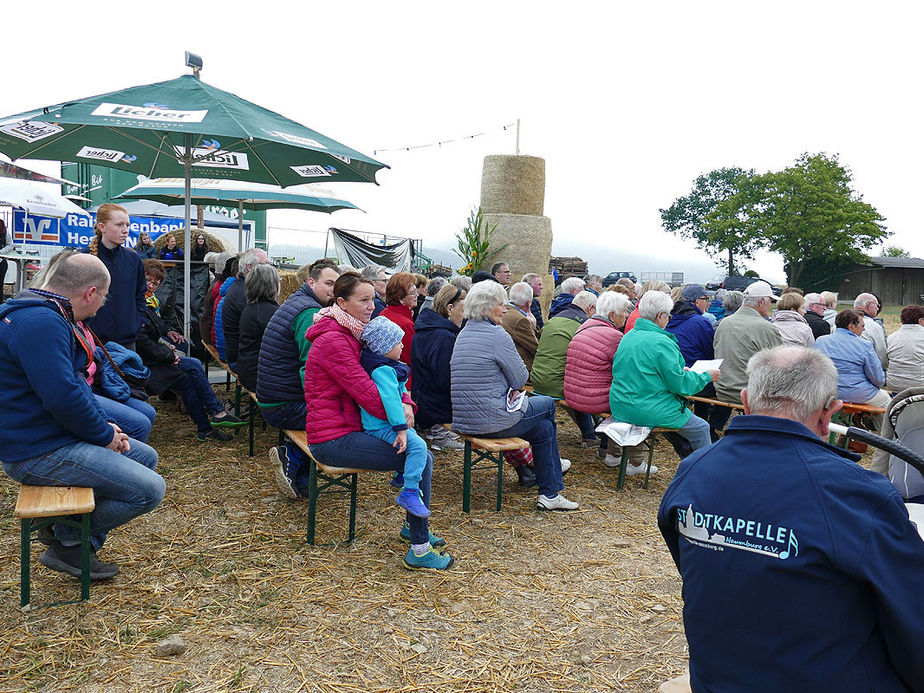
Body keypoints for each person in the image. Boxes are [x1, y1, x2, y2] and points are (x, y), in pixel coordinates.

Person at [658, 345, 924, 692]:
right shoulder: (856, 493)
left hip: (716, 678)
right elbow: (912, 614)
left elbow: (695, 562)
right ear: (830, 413)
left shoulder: (693, 469)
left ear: (747, 401)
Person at [0, 251, 165, 580]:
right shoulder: (43, 324)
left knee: (144, 455)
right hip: (34, 450)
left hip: (42, 434)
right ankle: (68, 538)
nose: (101, 306)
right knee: (150, 490)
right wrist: (104, 436)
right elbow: (63, 397)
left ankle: (67, 536)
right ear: (90, 293)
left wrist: (104, 428)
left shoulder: (40, 312)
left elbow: (72, 390)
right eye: (103, 298)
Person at [305, 273, 452, 570]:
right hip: (332, 438)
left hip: (349, 428)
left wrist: (408, 403)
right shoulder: (336, 340)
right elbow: (371, 395)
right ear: (342, 303)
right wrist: (403, 414)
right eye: (364, 300)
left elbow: (393, 373)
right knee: (420, 455)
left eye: (373, 298)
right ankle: (419, 549)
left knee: (420, 453)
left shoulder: (354, 332)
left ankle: (414, 529)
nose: (373, 306)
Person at [450, 280, 577, 511]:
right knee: (547, 405)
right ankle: (552, 478)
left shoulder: (464, 333)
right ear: (487, 307)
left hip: (465, 420)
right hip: (491, 421)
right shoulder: (497, 334)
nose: (506, 309)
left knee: (544, 429)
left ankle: (549, 491)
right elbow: (519, 379)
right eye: (501, 304)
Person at [137, 260, 245, 442]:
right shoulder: (138, 304)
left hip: (151, 359)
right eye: (148, 279)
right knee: (193, 364)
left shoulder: (148, 302)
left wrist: (167, 332)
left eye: (155, 283)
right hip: (143, 366)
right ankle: (216, 411)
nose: (151, 285)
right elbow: (142, 341)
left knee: (186, 379)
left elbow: (153, 326)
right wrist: (169, 355)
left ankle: (206, 429)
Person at [259, 259, 340, 498]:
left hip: (273, 397)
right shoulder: (311, 313)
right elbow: (310, 370)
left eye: (337, 285)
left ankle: (301, 476)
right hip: (284, 405)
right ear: (310, 281)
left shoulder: (296, 302)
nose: (333, 290)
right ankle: (292, 455)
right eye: (328, 283)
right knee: (341, 416)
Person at [610, 291, 720, 465]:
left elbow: (643, 371)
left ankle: (689, 460)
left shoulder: (629, 336)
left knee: (681, 423)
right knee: (701, 427)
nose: (669, 319)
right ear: (660, 315)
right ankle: (704, 468)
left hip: (621, 405)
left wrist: (678, 370)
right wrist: (707, 376)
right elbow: (681, 386)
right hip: (647, 408)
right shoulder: (662, 342)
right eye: (668, 315)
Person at [360, 316, 431, 518]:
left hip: (384, 423)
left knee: (414, 439)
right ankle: (409, 492)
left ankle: (401, 475)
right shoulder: (383, 370)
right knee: (419, 446)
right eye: (397, 342)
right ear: (384, 347)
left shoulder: (385, 365)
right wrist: (401, 428)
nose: (402, 345)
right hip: (382, 426)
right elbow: (391, 400)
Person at [564, 291, 646, 468]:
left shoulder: (584, 327)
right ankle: (635, 462)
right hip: (592, 398)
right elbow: (628, 371)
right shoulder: (614, 336)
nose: (627, 314)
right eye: (625, 311)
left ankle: (613, 453)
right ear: (612, 315)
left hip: (573, 393)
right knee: (639, 404)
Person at [531, 290, 599, 446]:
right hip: (556, 384)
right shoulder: (584, 324)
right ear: (590, 309)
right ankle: (591, 435)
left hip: (537, 379)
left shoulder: (554, 319)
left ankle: (591, 432)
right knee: (582, 388)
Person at [666, 284, 729, 442]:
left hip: (675, 376)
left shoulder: (671, 319)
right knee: (726, 386)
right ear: (695, 302)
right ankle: (711, 426)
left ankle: (702, 422)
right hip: (691, 378)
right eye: (705, 299)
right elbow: (710, 353)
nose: (708, 303)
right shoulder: (700, 322)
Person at [411, 284, 467, 452]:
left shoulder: (429, 327)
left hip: (423, 400)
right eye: (464, 311)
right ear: (450, 308)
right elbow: (444, 379)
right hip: (434, 405)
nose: (466, 317)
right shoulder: (443, 336)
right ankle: (439, 434)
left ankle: (437, 430)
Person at [84, 203, 146, 349]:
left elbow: (140, 295)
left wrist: (137, 322)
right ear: (102, 227)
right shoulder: (84, 258)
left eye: (127, 225)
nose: (125, 230)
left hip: (128, 341)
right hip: (94, 341)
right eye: (119, 225)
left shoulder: (133, 259)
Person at [713, 281, 781, 405]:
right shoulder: (766, 327)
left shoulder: (724, 322)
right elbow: (780, 364)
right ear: (761, 302)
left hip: (723, 390)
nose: (771, 305)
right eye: (770, 301)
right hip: (753, 394)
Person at [815, 309, 890, 419]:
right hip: (857, 393)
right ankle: (883, 434)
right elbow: (877, 378)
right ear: (851, 326)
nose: (864, 329)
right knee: (887, 401)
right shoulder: (865, 345)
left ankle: (850, 426)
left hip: (827, 392)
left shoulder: (821, 341)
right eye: (862, 325)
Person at [222, 248, 270, 369]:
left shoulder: (240, 287)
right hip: (241, 362)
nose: (270, 269)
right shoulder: (245, 294)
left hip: (240, 356)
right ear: (249, 267)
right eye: (264, 264)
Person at [236, 264, 279, 393]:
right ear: (272, 285)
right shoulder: (270, 313)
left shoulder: (252, 308)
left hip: (246, 369)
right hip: (257, 378)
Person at [379, 272, 418, 385]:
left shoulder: (384, 313)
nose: (417, 295)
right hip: (404, 380)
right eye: (413, 293)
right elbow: (412, 357)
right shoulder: (404, 324)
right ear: (401, 299)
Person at [500, 281, 540, 371]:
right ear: (528, 303)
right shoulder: (520, 320)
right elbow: (536, 348)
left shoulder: (503, 311)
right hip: (519, 368)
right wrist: (534, 327)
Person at [886, 304, 924, 392]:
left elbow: (885, 362)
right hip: (920, 386)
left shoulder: (891, 337)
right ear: (920, 321)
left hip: (895, 385)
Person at [855, 292, 888, 370]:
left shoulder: (839, 323)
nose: (877, 309)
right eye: (877, 306)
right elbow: (881, 356)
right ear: (869, 305)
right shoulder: (875, 326)